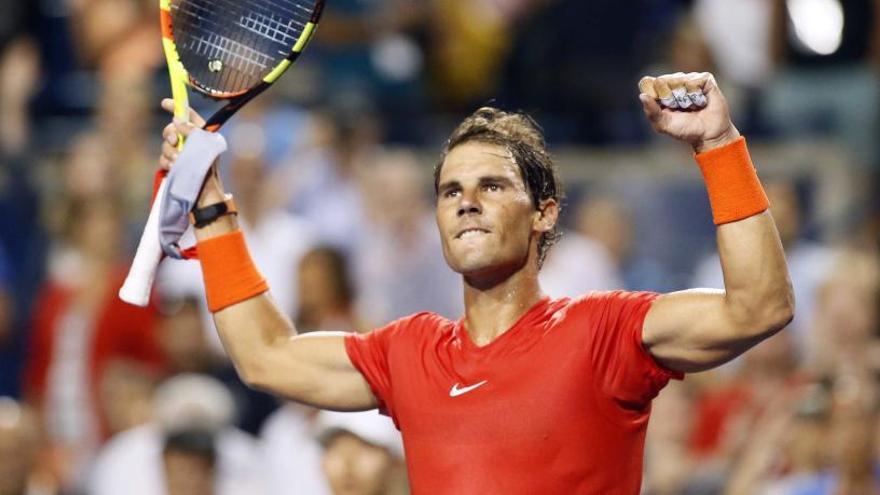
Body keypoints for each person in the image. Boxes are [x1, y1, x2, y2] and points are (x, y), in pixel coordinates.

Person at [156, 71, 794, 493]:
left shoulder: (605, 330)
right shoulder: (408, 353)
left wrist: (718, 143)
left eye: (493, 186)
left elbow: (759, 306)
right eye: (450, 191)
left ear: (544, 212)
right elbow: (265, 357)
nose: (467, 203)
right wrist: (211, 208)